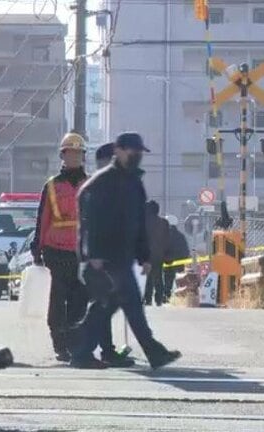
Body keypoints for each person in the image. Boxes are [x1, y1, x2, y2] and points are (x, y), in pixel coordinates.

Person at [74, 132, 181, 370]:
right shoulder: (100, 183)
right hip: (103, 257)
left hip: (121, 256)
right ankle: (153, 352)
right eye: (133, 150)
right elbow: (90, 223)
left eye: (140, 151)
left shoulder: (134, 183)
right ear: (119, 150)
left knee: (108, 305)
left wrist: (144, 256)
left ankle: (80, 349)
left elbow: (138, 223)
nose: (137, 155)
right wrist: (93, 254)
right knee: (126, 304)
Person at [30, 132, 89, 363]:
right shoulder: (52, 186)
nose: (73, 157)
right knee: (58, 300)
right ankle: (60, 344)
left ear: (83, 156)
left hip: (83, 252)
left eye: (77, 153)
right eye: (69, 153)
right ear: (62, 156)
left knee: (80, 300)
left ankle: (75, 343)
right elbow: (43, 218)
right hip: (56, 251)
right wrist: (38, 248)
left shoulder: (91, 184)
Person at [144, 200, 170, 306]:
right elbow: (168, 240)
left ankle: (147, 298)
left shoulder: (143, 222)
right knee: (159, 276)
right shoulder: (164, 223)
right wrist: (167, 254)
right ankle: (159, 299)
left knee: (147, 277)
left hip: (146, 255)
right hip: (159, 255)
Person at [163, 219, 190, 302]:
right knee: (180, 281)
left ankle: (166, 296)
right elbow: (186, 250)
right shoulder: (181, 236)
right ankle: (181, 297)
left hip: (168, 263)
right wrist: (184, 261)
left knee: (168, 281)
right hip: (180, 263)